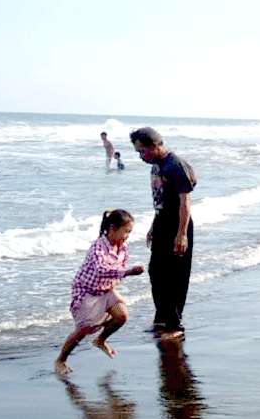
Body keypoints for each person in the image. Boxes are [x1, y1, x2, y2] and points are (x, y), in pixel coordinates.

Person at [54, 209, 145, 376]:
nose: (127, 236)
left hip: (105, 290)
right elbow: (100, 270)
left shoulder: (123, 247)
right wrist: (128, 272)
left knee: (122, 315)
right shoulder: (98, 246)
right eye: (126, 231)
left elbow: (118, 268)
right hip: (86, 291)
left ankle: (100, 340)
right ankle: (60, 360)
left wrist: (121, 276)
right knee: (84, 330)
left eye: (129, 232)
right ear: (112, 229)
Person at [131, 127, 197, 339]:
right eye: (138, 153)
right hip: (161, 223)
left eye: (143, 151)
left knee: (176, 275)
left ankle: (174, 324)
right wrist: (153, 225)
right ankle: (162, 318)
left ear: (156, 145)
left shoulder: (175, 165)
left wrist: (182, 233)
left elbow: (185, 202)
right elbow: (162, 200)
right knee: (156, 271)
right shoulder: (156, 166)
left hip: (177, 225)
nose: (141, 157)